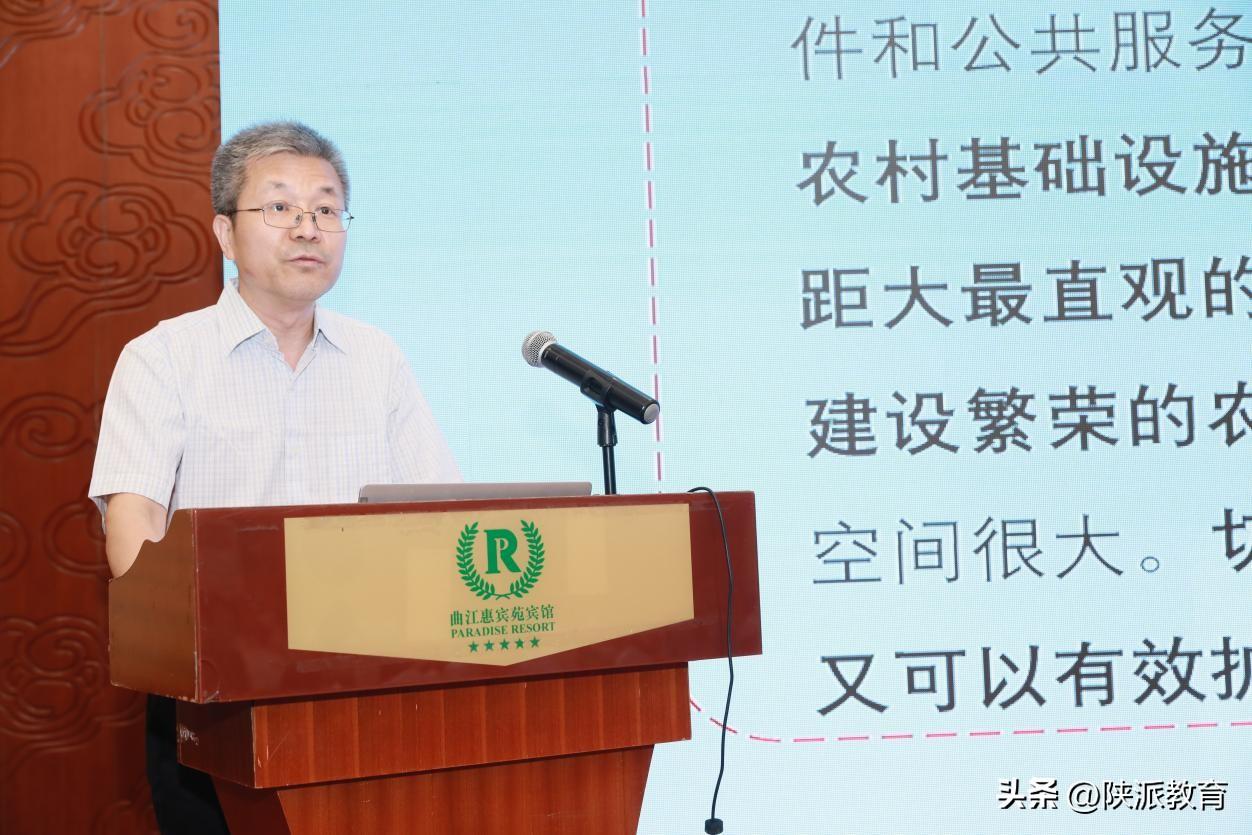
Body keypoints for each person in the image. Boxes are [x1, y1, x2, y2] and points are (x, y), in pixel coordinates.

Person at [89, 121, 460, 834]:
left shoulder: (377, 358)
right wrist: (186, 649)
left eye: (326, 209)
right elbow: (132, 530)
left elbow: (438, 513)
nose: (307, 227)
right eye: (280, 206)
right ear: (225, 234)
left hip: (364, 680)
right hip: (214, 696)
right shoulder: (162, 358)